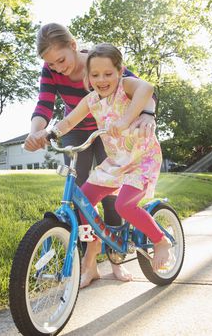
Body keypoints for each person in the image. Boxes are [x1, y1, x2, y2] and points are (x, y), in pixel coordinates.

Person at [24, 23, 157, 283]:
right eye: (52, 65)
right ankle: (90, 261)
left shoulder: (99, 64)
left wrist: (146, 114)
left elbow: (141, 89)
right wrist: (36, 132)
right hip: (75, 127)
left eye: (61, 60)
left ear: (73, 46)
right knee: (82, 195)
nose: (59, 68)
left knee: (111, 194)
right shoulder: (51, 69)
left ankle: (116, 259)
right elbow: (44, 103)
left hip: (109, 129)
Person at [46, 43, 172, 288]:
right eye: (95, 75)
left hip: (141, 159)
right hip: (115, 162)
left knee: (124, 205)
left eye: (108, 74)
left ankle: (160, 241)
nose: (101, 80)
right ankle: (92, 251)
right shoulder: (91, 100)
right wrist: (49, 133)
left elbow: (147, 87)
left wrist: (126, 119)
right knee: (83, 202)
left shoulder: (125, 87)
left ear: (119, 71)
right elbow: (70, 121)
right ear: (88, 77)